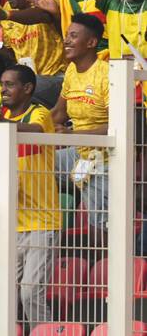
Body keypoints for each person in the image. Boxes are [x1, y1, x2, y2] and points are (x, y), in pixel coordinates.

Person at [0, 65, 61, 327]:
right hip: (11, 220)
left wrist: (2, 123)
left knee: (30, 292)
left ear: (28, 88)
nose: (3, 90)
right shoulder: (0, 116)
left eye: (9, 84)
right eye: (1, 84)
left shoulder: (39, 113)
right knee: (5, 294)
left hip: (42, 221)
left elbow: (35, 131)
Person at [49, 13, 109, 237]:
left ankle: (106, 259)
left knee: (98, 224)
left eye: (73, 36)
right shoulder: (72, 71)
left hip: (105, 157)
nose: (66, 40)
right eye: (66, 35)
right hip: (77, 153)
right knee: (34, 164)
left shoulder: (106, 75)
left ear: (92, 43)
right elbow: (57, 114)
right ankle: (45, 225)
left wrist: (73, 134)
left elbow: (118, 126)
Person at [0, 0, 64, 106]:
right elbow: (10, 52)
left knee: (21, 90)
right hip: (26, 81)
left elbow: (41, 16)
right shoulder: (7, 8)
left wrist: (8, 15)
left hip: (56, 78)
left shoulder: (49, 2)